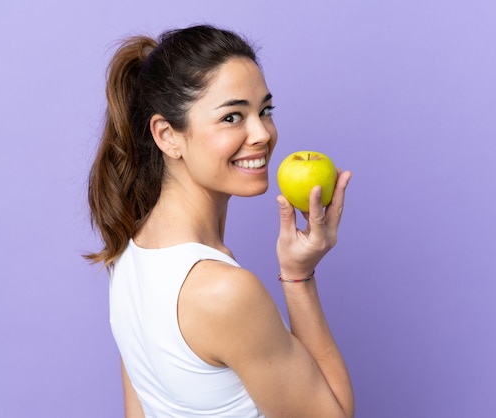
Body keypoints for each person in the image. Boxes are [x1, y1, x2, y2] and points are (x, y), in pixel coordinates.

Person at [86, 24, 354, 418]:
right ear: (167, 135)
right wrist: (298, 276)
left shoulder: (126, 256)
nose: (261, 133)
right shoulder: (225, 292)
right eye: (232, 117)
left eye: (264, 111)